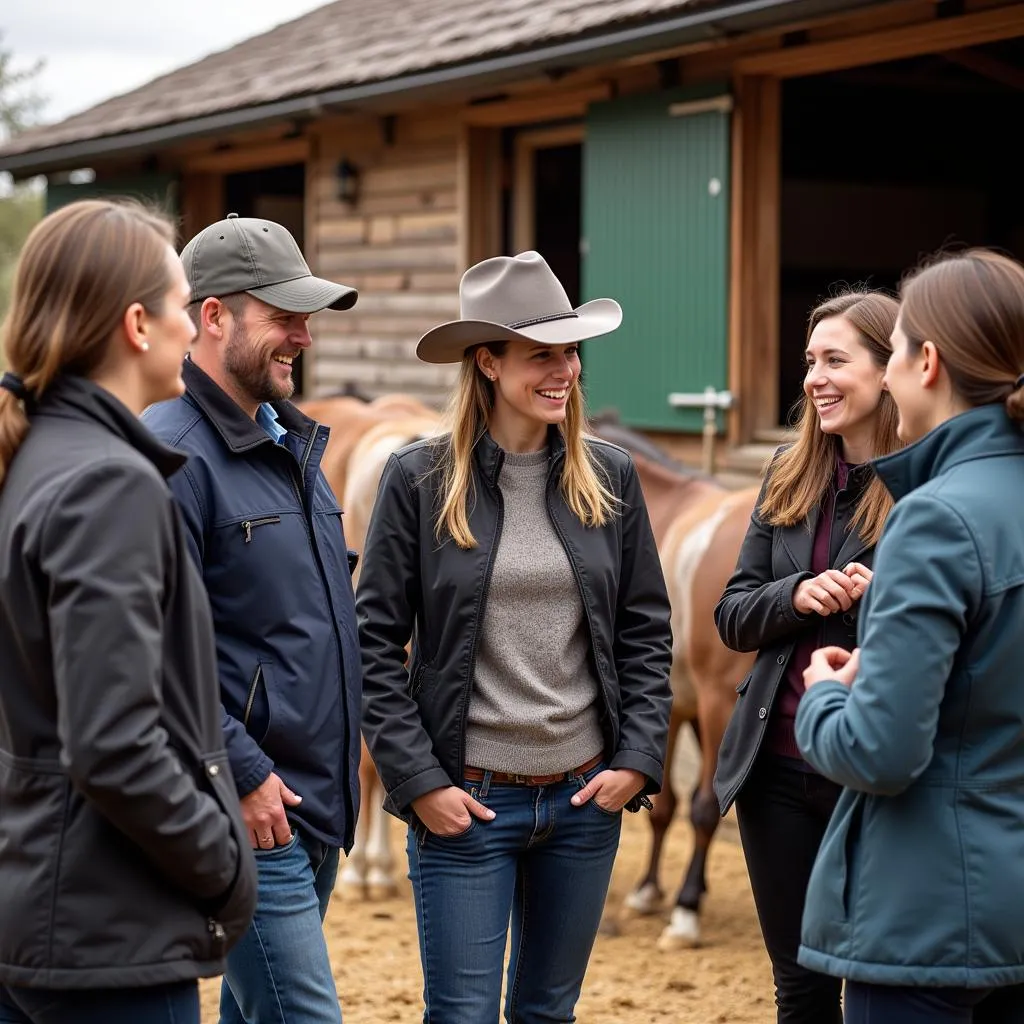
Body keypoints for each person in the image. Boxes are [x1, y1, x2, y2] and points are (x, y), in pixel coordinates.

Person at [356, 250, 673, 1024]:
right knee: (461, 1015)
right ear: (489, 361)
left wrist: (636, 760)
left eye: (570, 351)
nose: (564, 370)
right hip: (469, 804)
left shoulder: (611, 476)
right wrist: (420, 783)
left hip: (584, 803)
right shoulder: (419, 480)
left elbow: (646, 631)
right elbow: (371, 646)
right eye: (542, 355)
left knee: (547, 1014)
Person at [0, 200, 256, 1024]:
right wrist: (221, 862)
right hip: (105, 940)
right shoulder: (109, 483)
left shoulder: (41, 456)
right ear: (138, 324)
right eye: (183, 306)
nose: (193, 327)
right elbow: (112, 744)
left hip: (51, 908)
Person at [142, 214, 361, 1024]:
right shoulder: (173, 454)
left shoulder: (291, 445)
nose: (303, 336)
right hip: (247, 809)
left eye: (307, 317)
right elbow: (156, 648)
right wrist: (240, 771)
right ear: (212, 317)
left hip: (311, 804)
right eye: (283, 315)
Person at [798, 249, 1024, 1024]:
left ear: (927, 362)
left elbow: (879, 753)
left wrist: (824, 698)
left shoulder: (933, 517)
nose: (888, 375)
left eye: (891, 352)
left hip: (928, 921)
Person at [713, 291, 901, 1024]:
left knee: (883, 981)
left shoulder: (924, 491)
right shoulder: (788, 478)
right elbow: (733, 615)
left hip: (876, 777)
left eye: (835, 360)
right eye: (809, 362)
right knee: (800, 986)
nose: (815, 378)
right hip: (778, 773)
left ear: (890, 371)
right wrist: (797, 595)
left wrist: (888, 593)